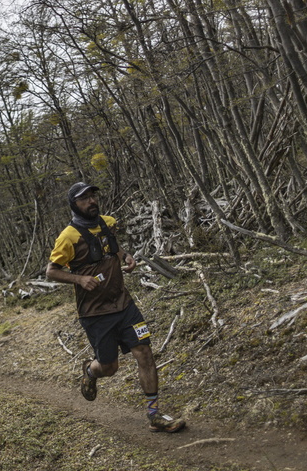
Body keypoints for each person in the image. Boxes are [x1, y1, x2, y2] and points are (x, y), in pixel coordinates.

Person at [46, 182, 185, 433]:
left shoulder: (108, 223)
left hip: (124, 304)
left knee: (144, 352)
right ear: (74, 205)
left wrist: (125, 256)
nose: (91, 201)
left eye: (93, 196)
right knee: (109, 368)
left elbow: (112, 246)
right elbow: (51, 271)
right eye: (84, 198)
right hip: (95, 313)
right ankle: (91, 371)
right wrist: (79, 279)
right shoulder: (68, 237)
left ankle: (154, 414)